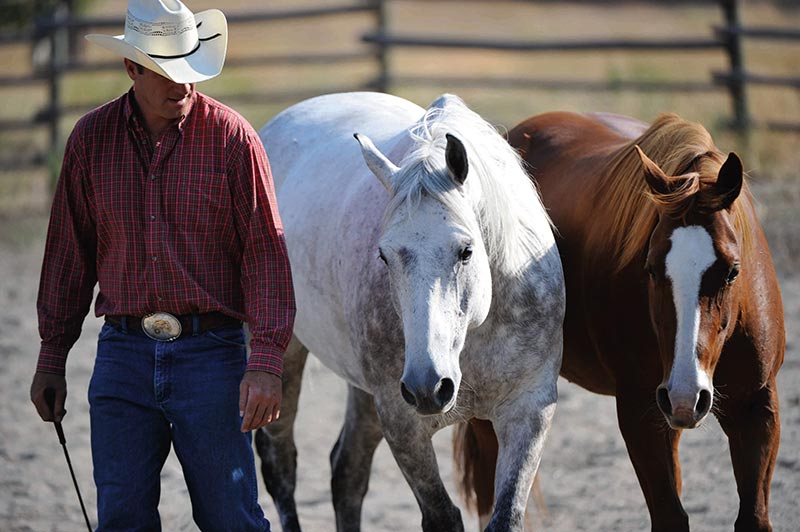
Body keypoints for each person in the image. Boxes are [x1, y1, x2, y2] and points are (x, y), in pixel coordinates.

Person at [29, 0, 295, 530]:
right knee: (122, 519)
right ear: (132, 68)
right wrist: (52, 354)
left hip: (214, 358)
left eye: (190, 70)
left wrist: (265, 362)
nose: (184, 85)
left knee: (232, 519)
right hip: (122, 357)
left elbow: (266, 255)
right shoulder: (90, 141)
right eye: (168, 72)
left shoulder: (232, 140)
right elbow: (68, 255)